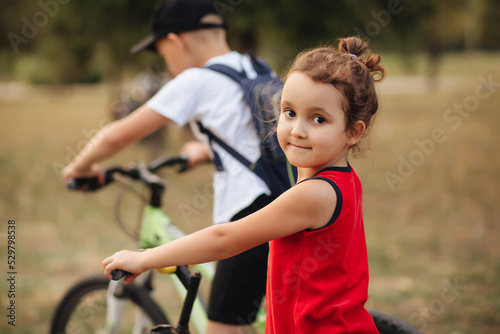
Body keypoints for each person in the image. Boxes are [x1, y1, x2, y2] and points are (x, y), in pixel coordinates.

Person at [103, 36, 387, 333]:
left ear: (353, 131)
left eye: (318, 119)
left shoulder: (315, 194)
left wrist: (145, 258)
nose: (297, 130)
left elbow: (225, 239)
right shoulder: (342, 180)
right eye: (289, 113)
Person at [62, 0, 284, 333]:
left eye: (162, 52)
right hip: (281, 200)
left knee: (222, 328)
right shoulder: (254, 66)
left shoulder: (196, 80)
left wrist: (79, 167)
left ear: (176, 40)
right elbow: (259, 136)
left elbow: (118, 136)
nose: (165, 61)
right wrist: (208, 151)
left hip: (247, 216)